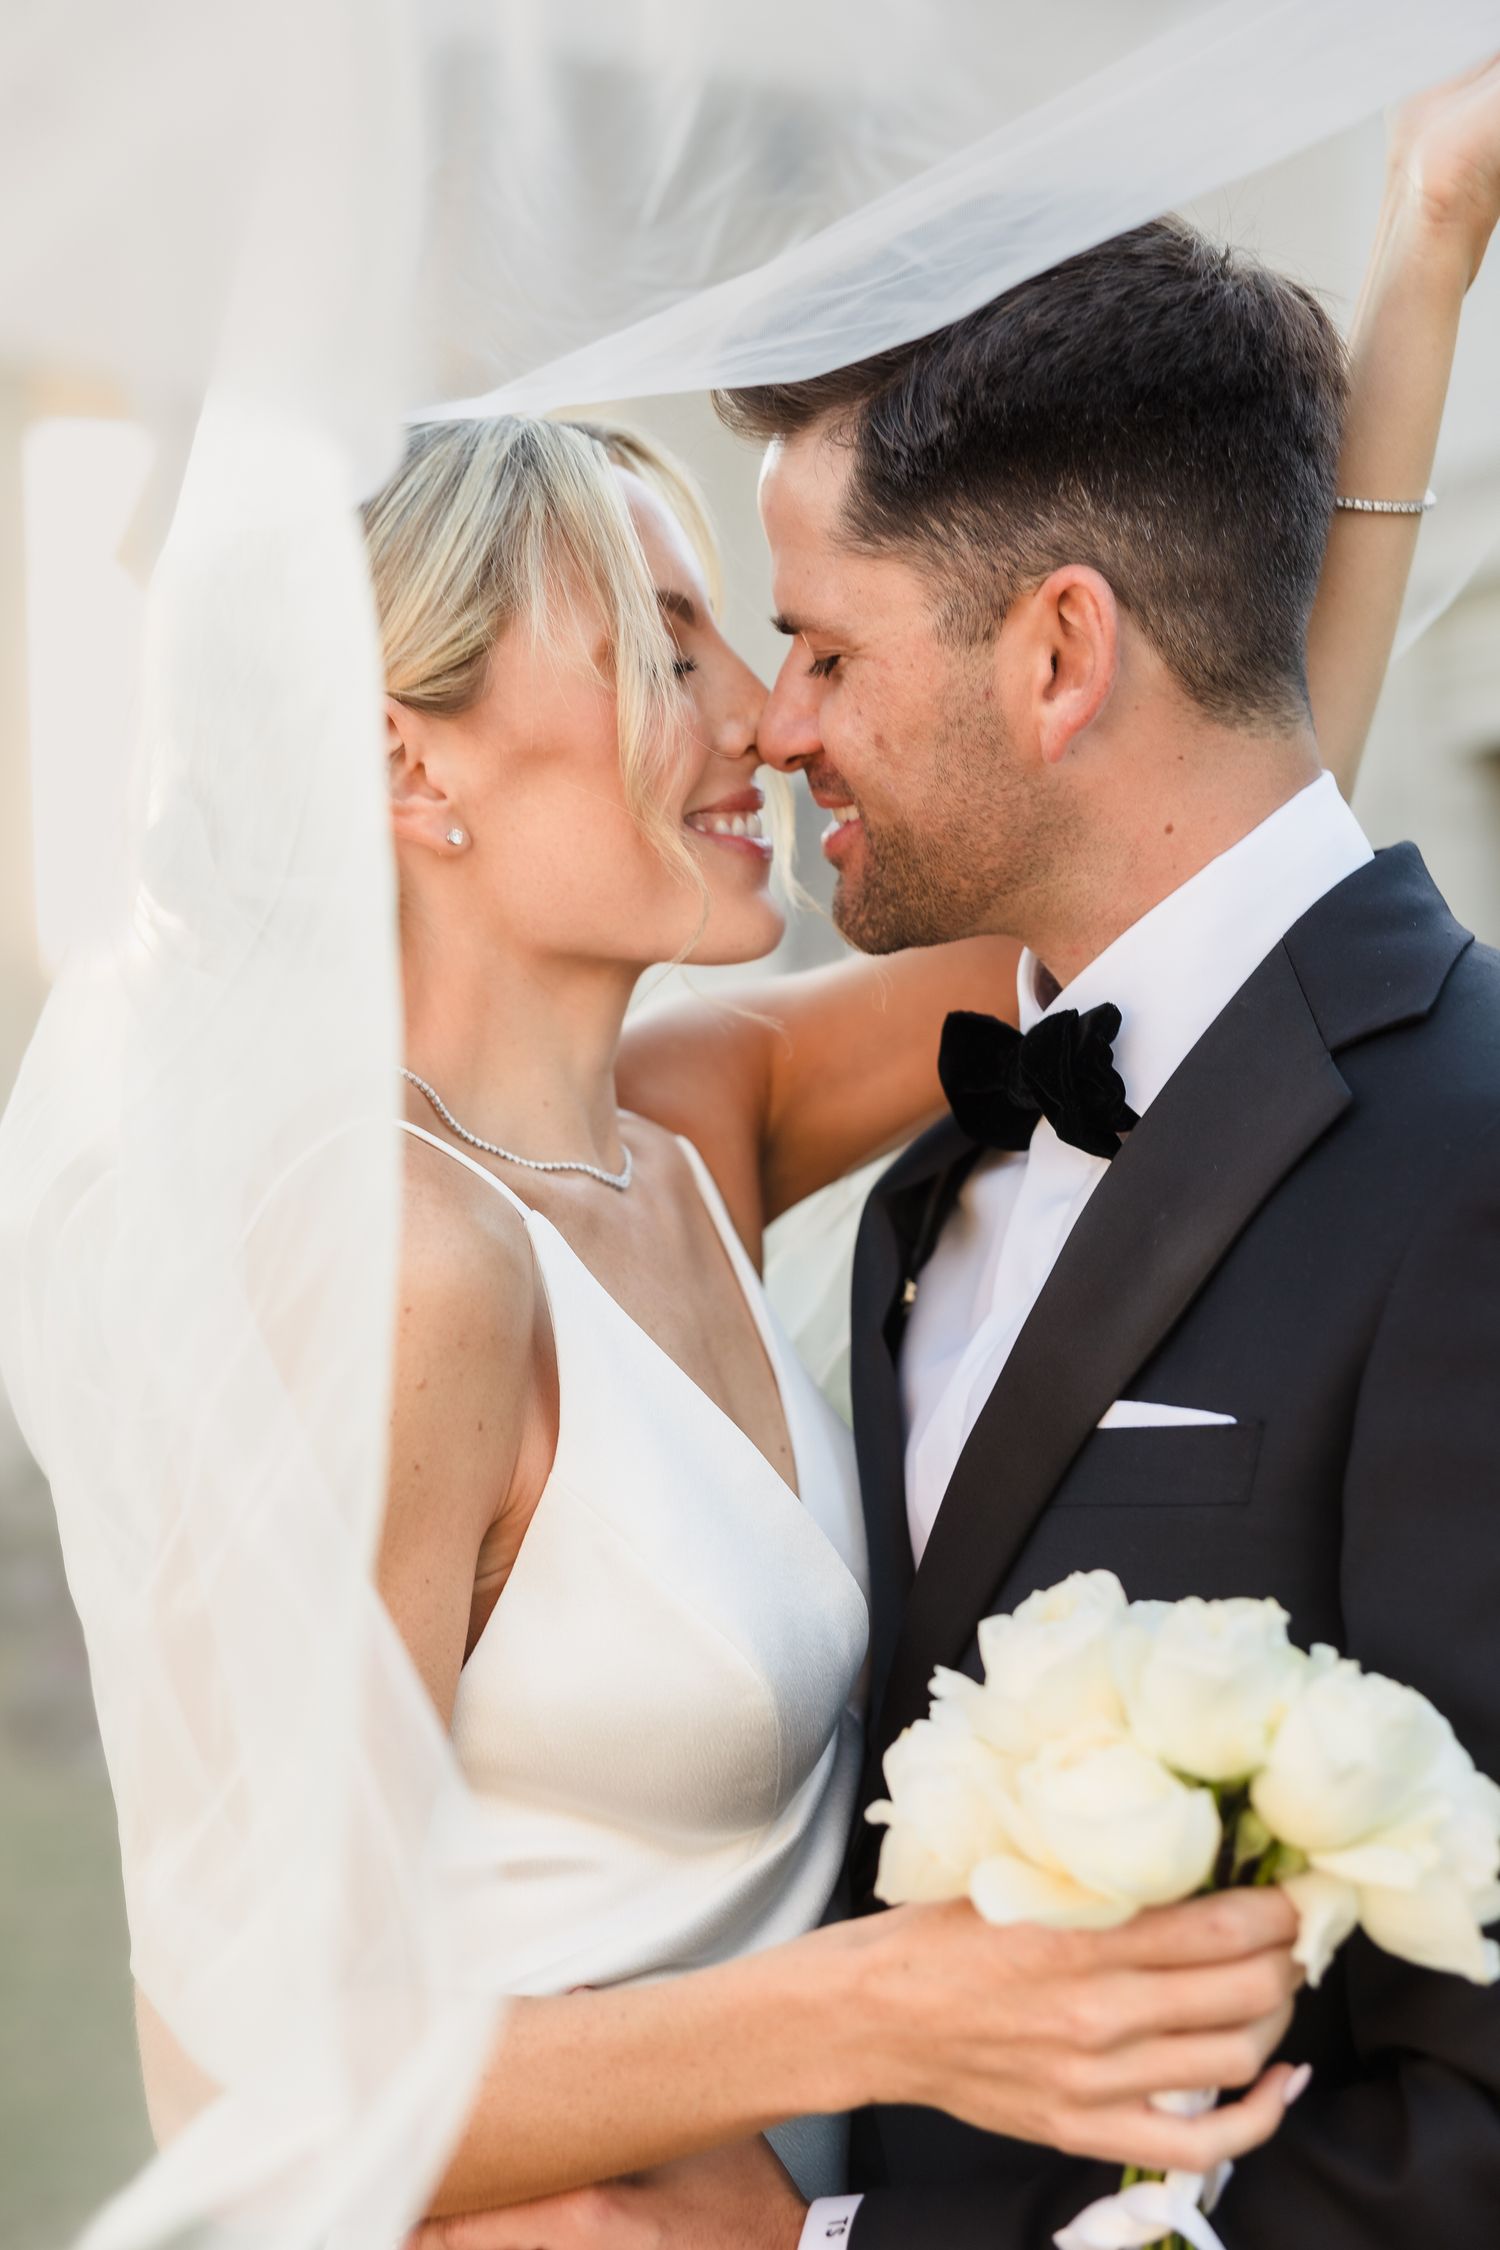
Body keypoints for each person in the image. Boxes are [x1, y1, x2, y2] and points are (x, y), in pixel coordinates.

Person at [392, 63, 1500, 2248]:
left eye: (795, 645)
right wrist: (860, 2044)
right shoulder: (429, 1253)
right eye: (670, 643)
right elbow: (277, 2051)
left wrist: (1425, 257)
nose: (756, 722)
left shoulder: (733, 1114)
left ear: (1059, 649)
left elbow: (1234, 786)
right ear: (408, 764)